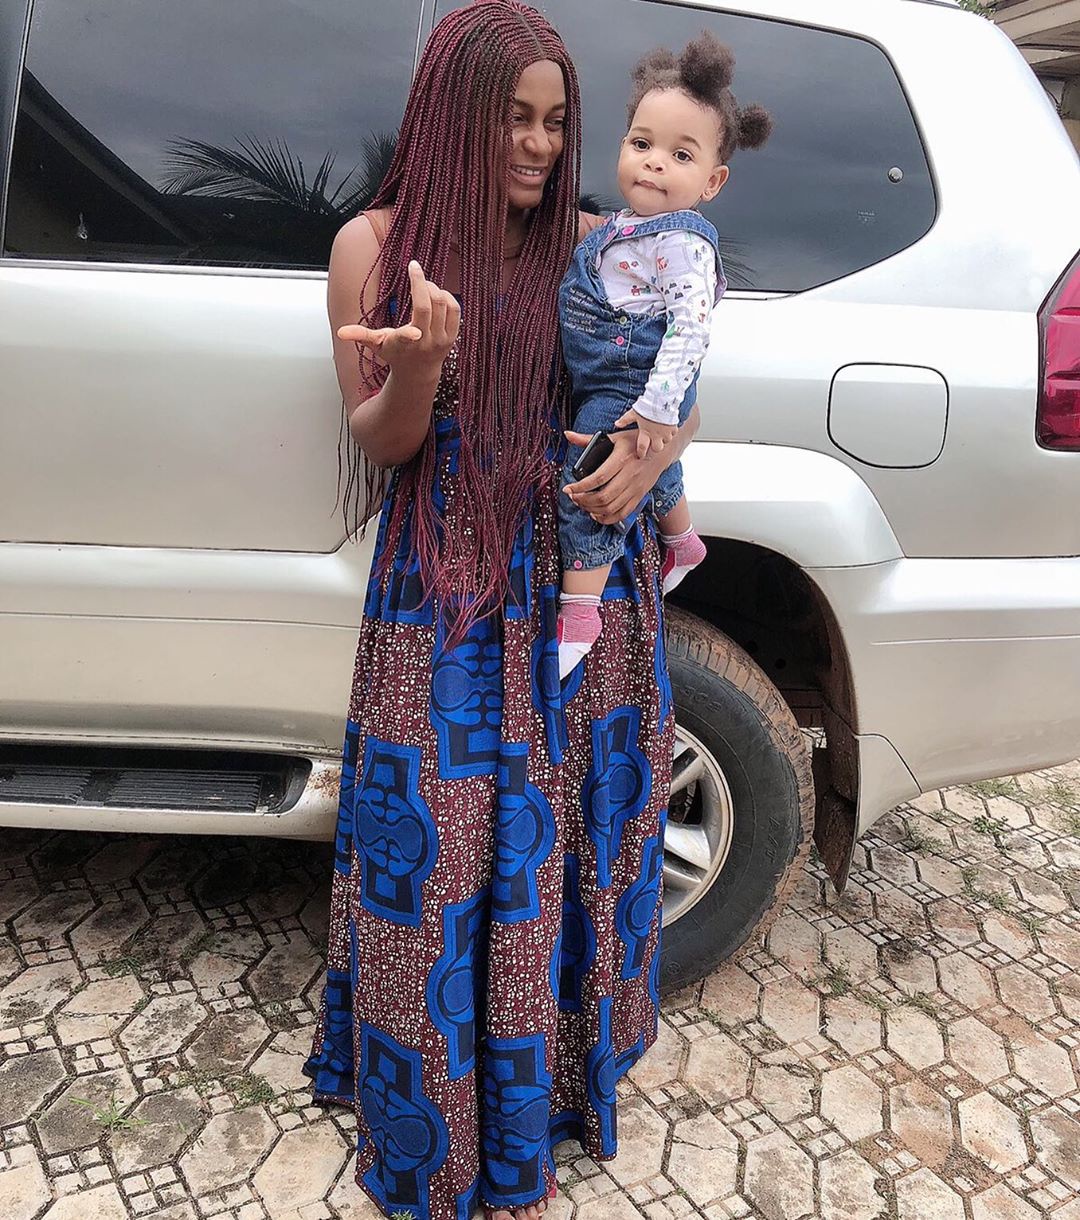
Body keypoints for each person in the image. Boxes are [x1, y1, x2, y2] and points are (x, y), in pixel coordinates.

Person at [303, 5, 700, 1220]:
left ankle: (545, 1105)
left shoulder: (595, 243)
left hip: (576, 588)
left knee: (560, 855)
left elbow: (675, 380)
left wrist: (649, 452)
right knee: (434, 863)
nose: (538, 145)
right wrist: (422, 362)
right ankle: (434, 1127)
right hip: (445, 595)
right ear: (451, 119)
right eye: (512, 120)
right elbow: (382, 442)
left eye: (555, 121)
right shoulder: (373, 248)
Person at [555, 33, 772, 678]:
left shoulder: (681, 243)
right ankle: (682, 540)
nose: (653, 163)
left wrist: (657, 410)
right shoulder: (622, 228)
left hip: (634, 378)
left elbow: (690, 331)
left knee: (590, 483)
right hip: (617, 376)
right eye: (641, 143)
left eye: (680, 154)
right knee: (642, 469)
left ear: (712, 181)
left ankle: (580, 611)